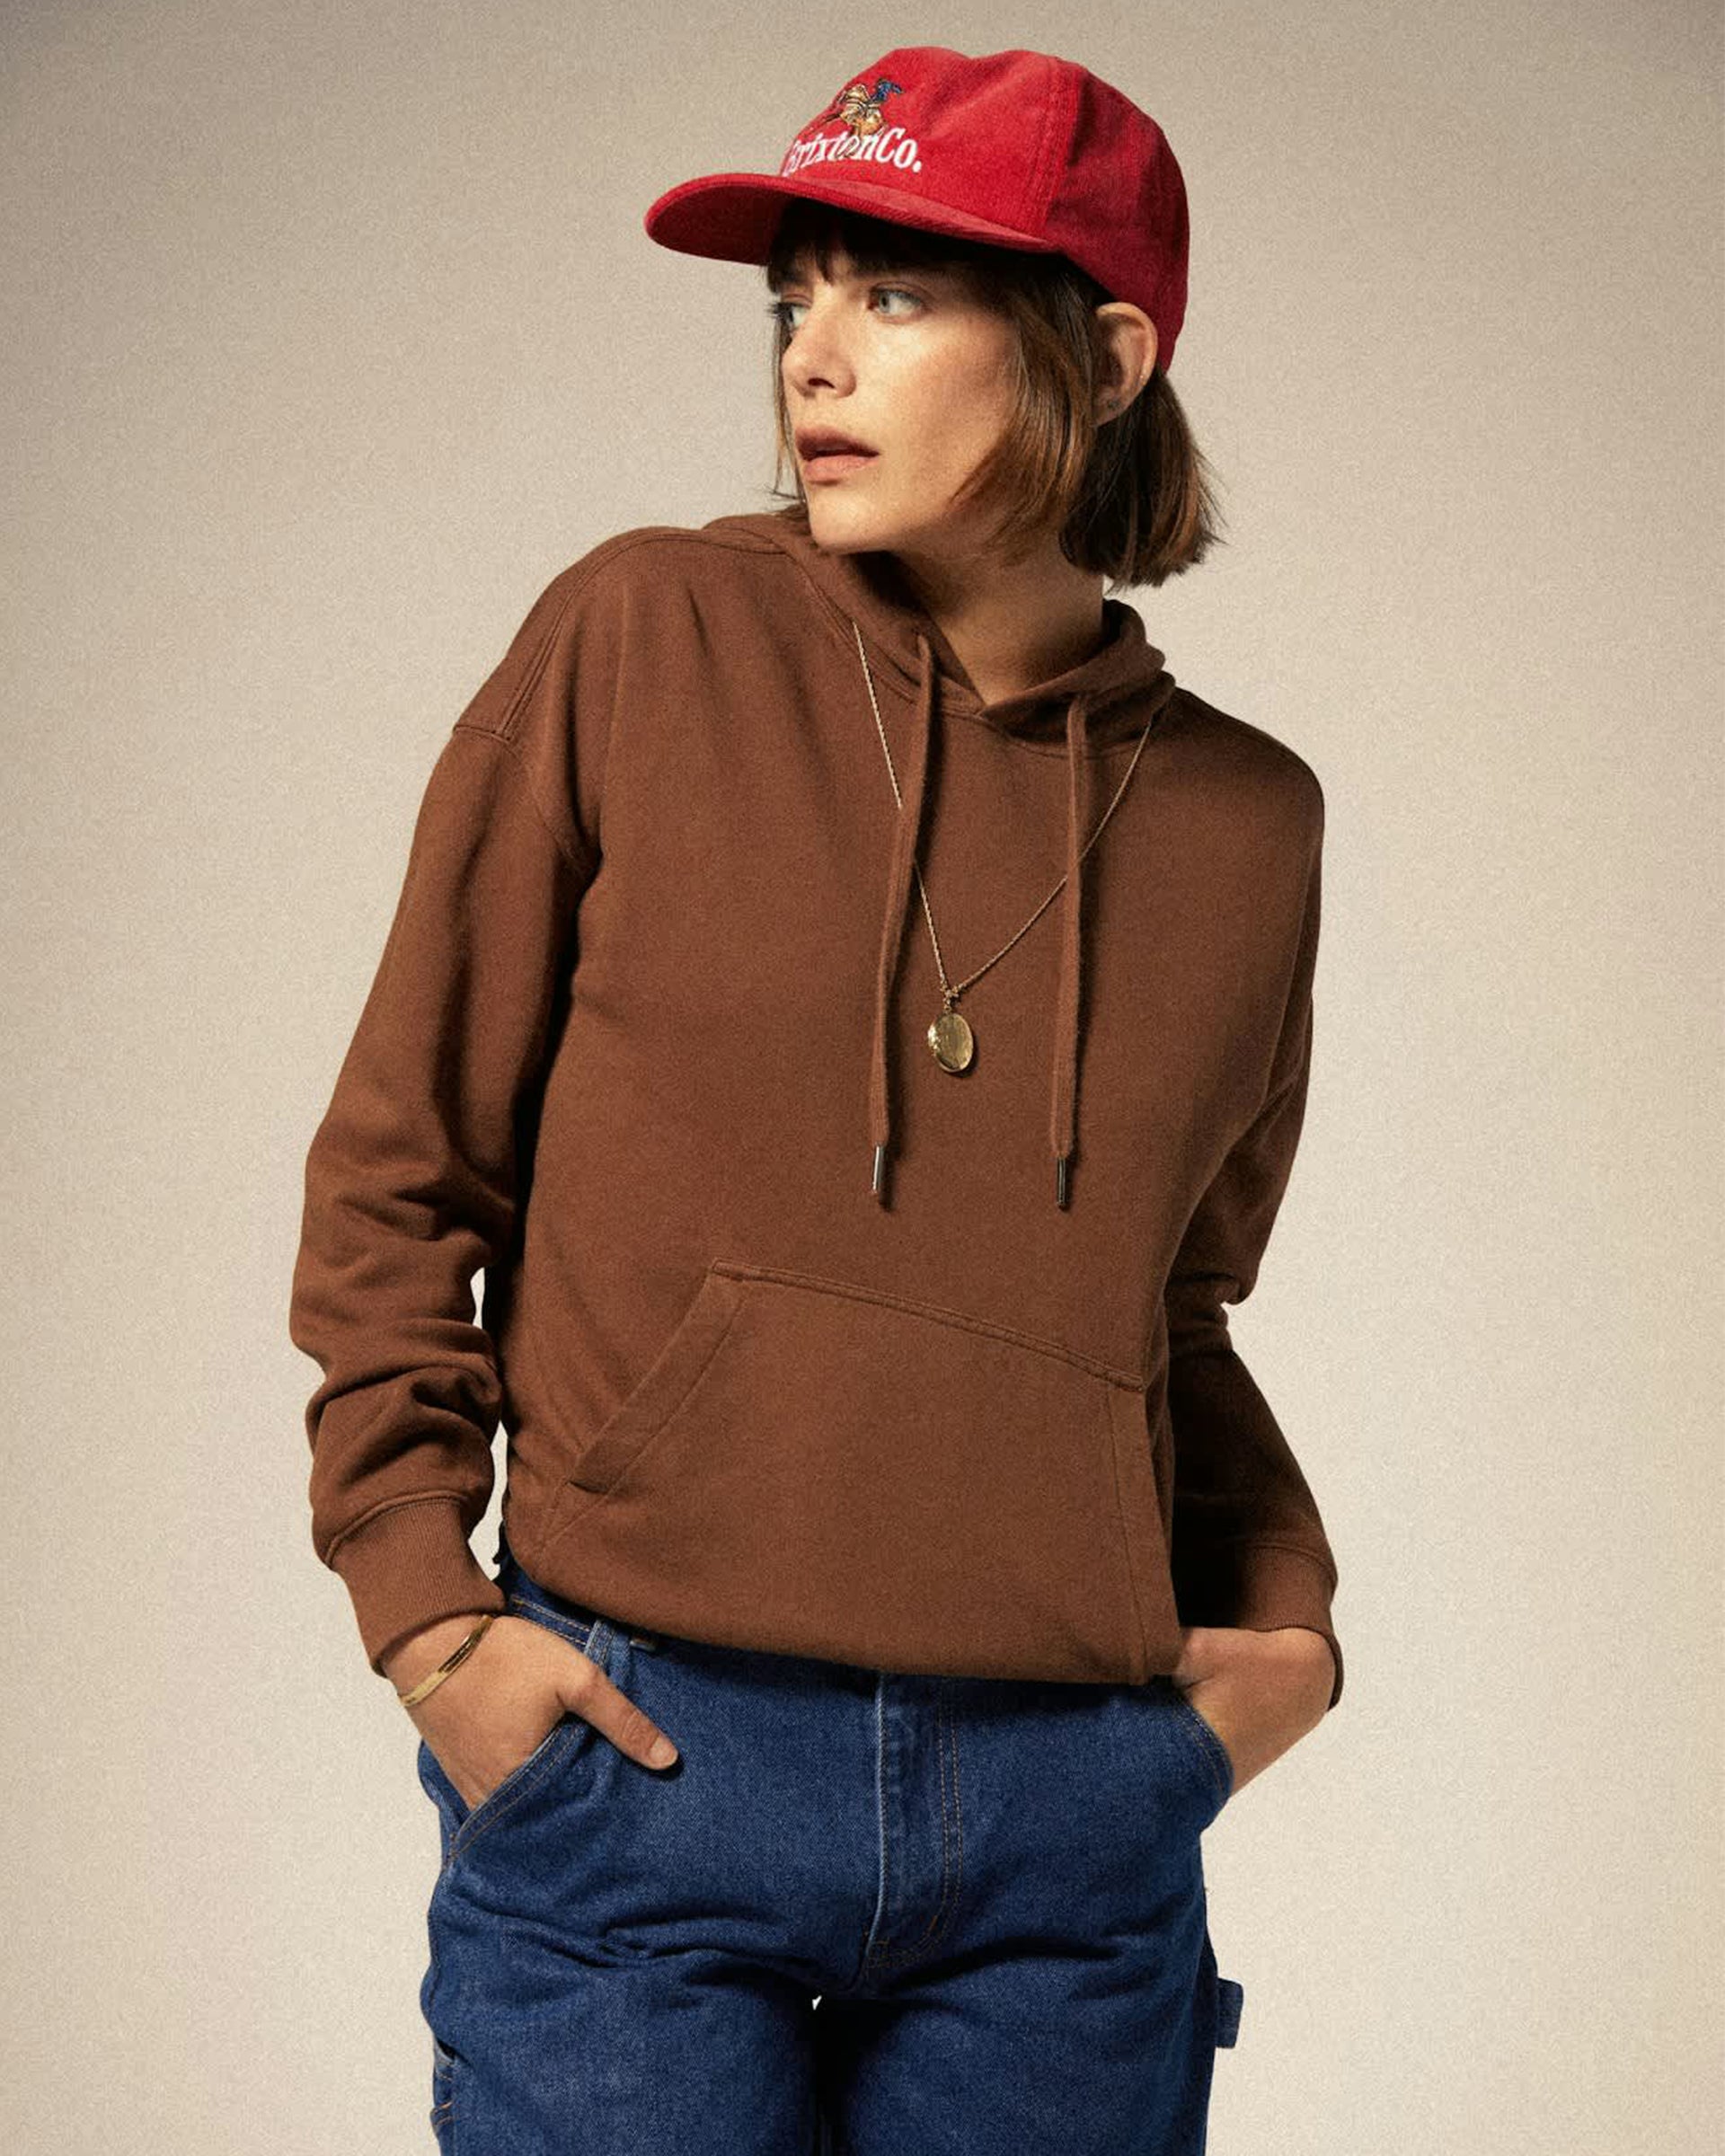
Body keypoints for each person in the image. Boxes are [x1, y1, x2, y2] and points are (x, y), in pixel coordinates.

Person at [288, 41, 1344, 2156]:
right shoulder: (642, 637)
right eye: (797, 299)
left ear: (1105, 356)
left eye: (897, 294)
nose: (812, 357)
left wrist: (1285, 1633)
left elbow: (1171, 1308)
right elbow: (406, 1169)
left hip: (1066, 1825)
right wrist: (427, 1614)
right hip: (640, 1765)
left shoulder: (1247, 823)